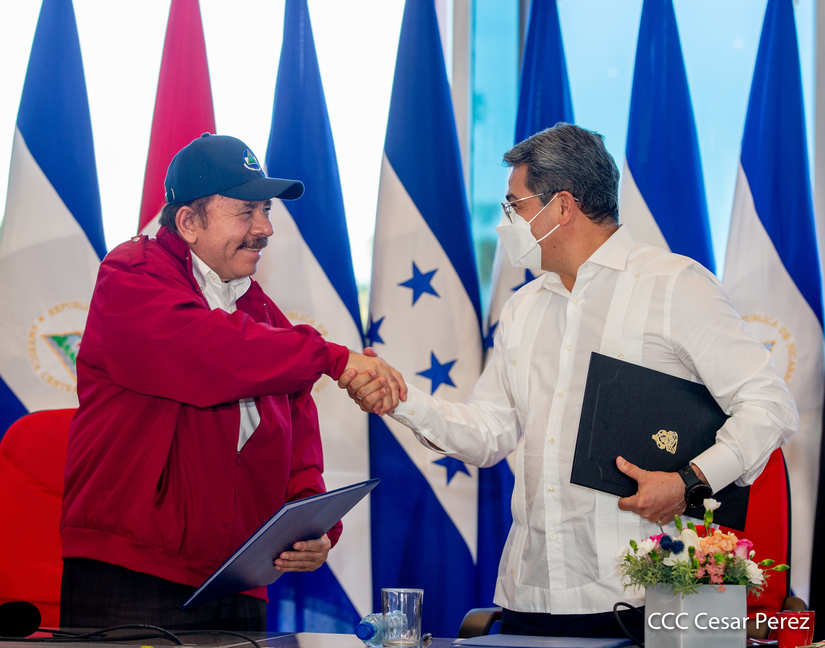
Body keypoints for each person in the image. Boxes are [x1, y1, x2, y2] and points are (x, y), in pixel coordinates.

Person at [341, 123, 798, 639]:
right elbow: (489, 432)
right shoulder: (524, 307)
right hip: (531, 593)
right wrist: (401, 400)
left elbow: (770, 405)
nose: (505, 223)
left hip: (647, 596)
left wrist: (689, 482)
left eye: (514, 206)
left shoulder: (673, 286)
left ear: (562, 206)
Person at [60, 133, 405, 631]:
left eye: (266, 210)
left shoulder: (262, 313)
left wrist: (312, 525)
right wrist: (333, 357)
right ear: (188, 222)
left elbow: (298, 439)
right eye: (246, 212)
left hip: (238, 577)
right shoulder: (131, 275)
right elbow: (209, 356)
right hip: (133, 574)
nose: (265, 228)